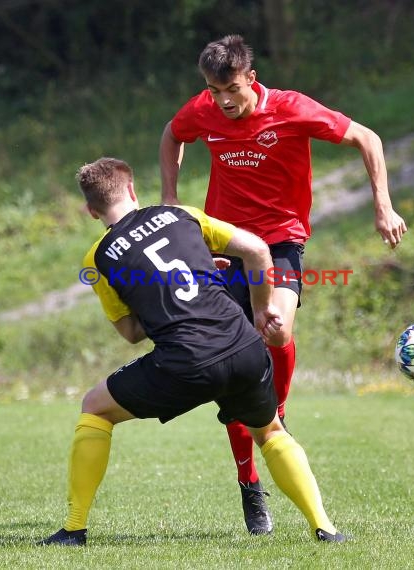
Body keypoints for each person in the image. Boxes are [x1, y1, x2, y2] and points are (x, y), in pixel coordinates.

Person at [159, 34, 407, 535]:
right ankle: (250, 484)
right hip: (224, 247)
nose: (222, 100)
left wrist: (383, 204)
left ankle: (277, 413)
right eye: (213, 89)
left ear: (251, 78)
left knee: (274, 331)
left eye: (230, 88)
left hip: (279, 243)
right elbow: (172, 133)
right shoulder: (203, 110)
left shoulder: (292, 109)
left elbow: (368, 138)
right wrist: (170, 200)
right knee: (229, 364)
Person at [39, 157, 346, 546]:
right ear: (133, 190)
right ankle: (325, 528)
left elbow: (132, 333)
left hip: (186, 362)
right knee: (269, 431)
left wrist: (153, 298)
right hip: (244, 346)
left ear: (90, 210)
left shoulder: (98, 258)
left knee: (94, 408)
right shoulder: (180, 214)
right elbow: (255, 249)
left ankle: (74, 528)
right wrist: (261, 308)